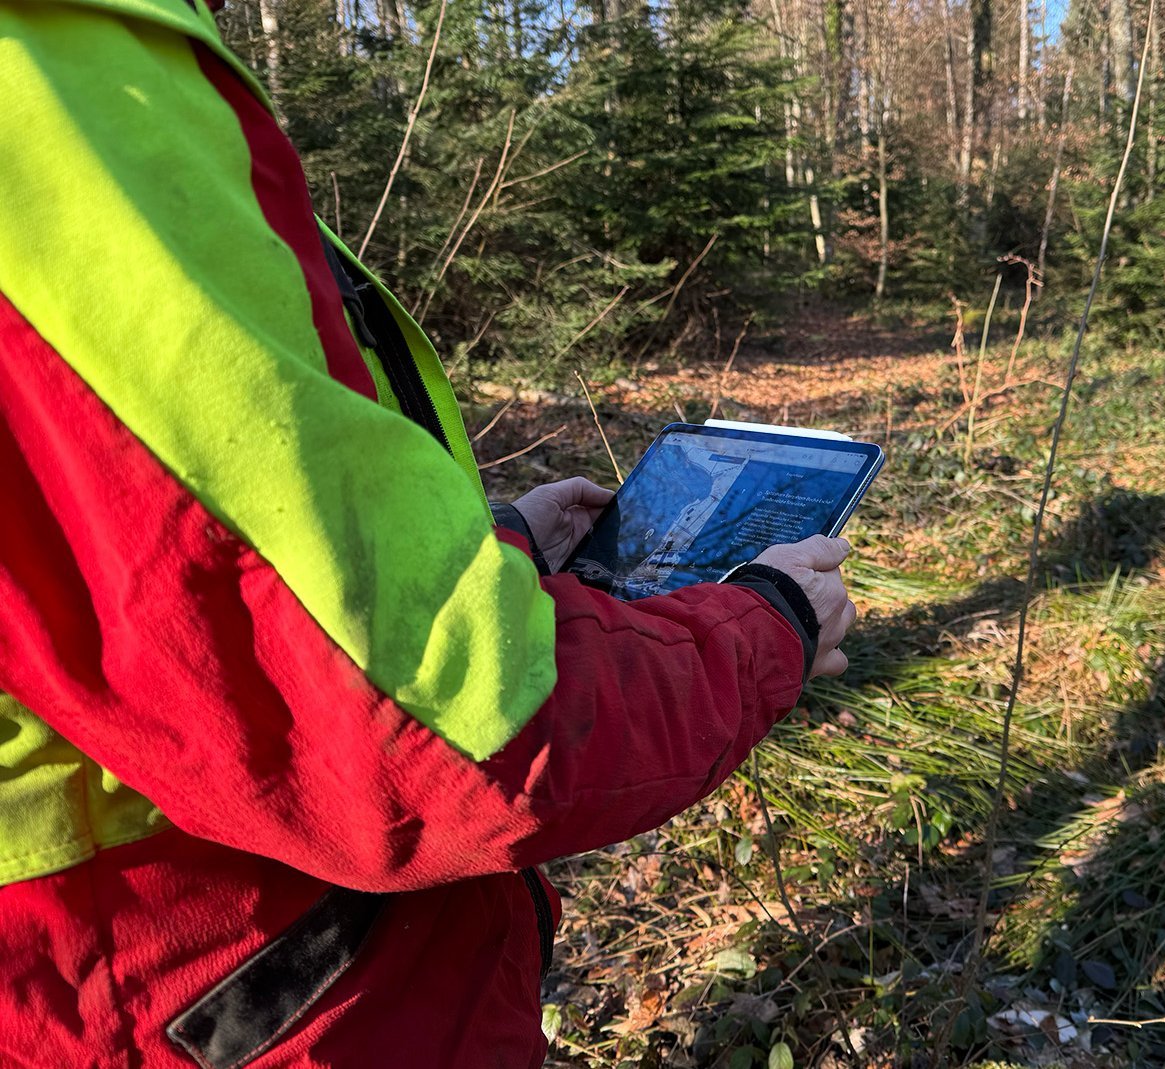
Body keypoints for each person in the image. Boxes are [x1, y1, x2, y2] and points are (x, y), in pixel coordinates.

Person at [0, 2, 856, 1066]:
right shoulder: (53, 82)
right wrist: (763, 623)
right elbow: (435, 740)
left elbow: (141, 549)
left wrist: (488, 547)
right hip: (249, 997)